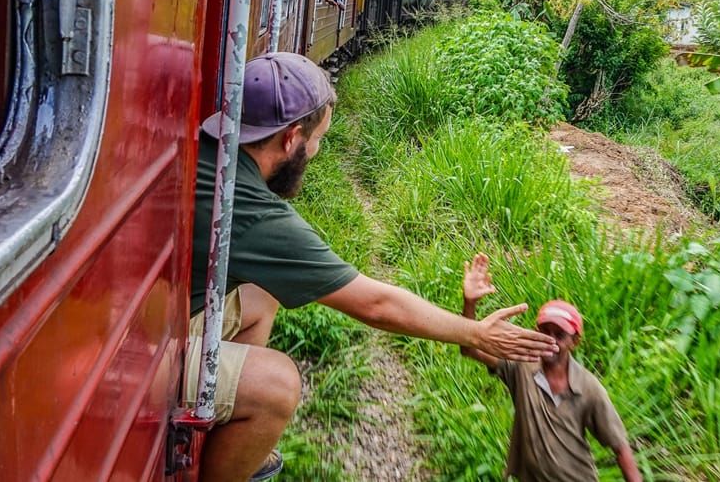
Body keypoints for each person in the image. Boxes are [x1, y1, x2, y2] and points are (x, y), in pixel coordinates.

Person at [184, 52, 558, 482]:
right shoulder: (250, 210)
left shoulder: (212, 154)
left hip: (152, 316)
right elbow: (375, 303)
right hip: (142, 353)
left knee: (260, 295)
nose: (317, 152)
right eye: (318, 139)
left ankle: (225, 424)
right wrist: (475, 332)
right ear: (290, 139)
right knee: (280, 384)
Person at [460, 254, 643, 482]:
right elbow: (469, 349)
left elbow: (620, 448)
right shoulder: (521, 366)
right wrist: (470, 303)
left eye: (560, 334)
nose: (551, 339)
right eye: (545, 331)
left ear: (575, 342)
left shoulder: (587, 388)